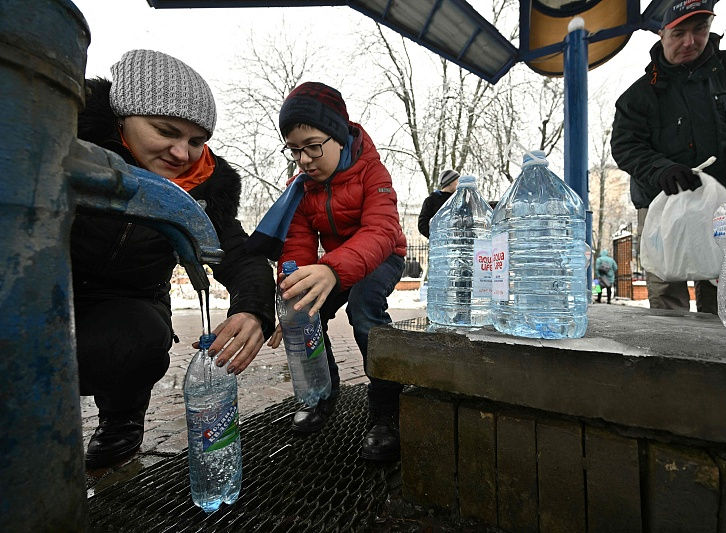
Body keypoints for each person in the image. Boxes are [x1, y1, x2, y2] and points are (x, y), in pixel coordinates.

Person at [73, 49, 275, 469]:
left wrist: (253, 309)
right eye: (165, 131)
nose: (182, 153)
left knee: (139, 342)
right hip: (54, 287)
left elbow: (239, 255)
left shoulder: (207, 189)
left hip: (131, 299)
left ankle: (122, 414)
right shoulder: (70, 144)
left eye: (196, 141)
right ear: (122, 118)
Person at [247, 82, 407, 462]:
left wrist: (332, 270)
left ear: (337, 136)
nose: (304, 159)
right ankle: (322, 391)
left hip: (383, 256)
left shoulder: (372, 170)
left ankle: (386, 409)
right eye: (295, 150)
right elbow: (299, 246)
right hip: (334, 264)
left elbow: (382, 231)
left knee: (364, 306)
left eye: (313, 146)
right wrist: (290, 300)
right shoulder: (301, 189)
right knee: (304, 310)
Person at [611, 0, 726, 314]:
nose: (690, 41)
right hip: (663, 200)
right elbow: (625, 145)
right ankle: (670, 359)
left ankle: (723, 357)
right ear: (661, 34)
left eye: (699, 29)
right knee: (666, 287)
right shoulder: (638, 96)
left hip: (725, 199)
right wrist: (661, 169)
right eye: (679, 33)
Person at [417, 169, 460, 238]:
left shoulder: (460, 199)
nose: (459, 183)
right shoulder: (431, 200)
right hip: (440, 246)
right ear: (450, 182)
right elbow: (422, 225)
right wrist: (436, 238)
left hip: (458, 244)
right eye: (457, 180)